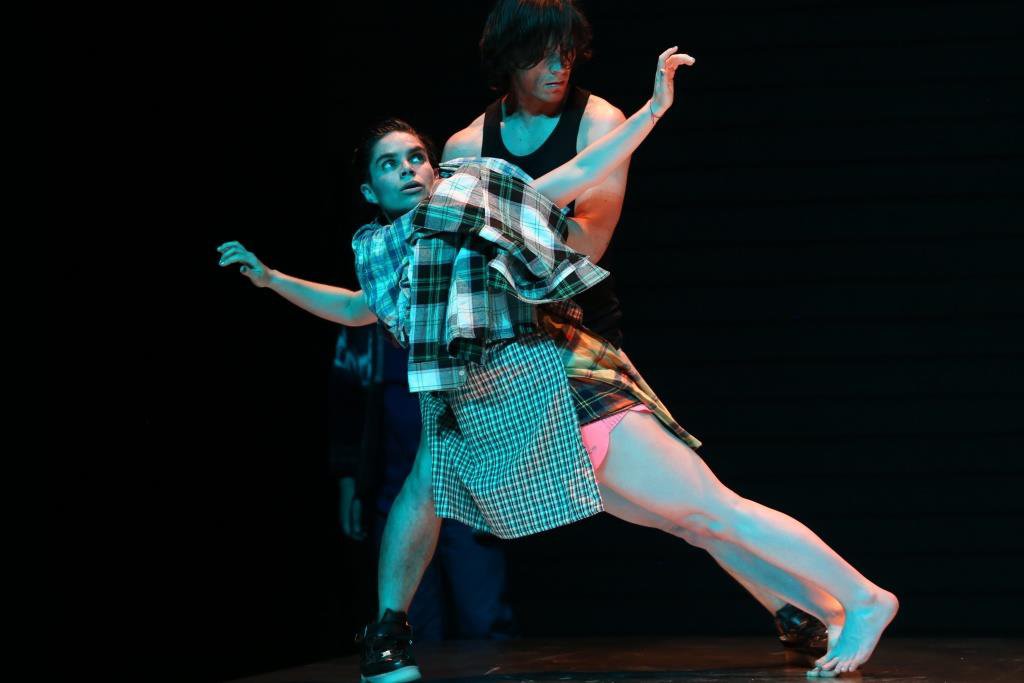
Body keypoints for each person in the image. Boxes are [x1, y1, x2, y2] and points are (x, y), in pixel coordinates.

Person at [217, 47, 898, 682]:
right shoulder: (387, 253)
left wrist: (652, 110)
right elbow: (357, 308)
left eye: (417, 156)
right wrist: (272, 280)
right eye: (390, 164)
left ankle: (865, 598)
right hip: (519, 416)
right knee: (692, 522)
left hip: (563, 383)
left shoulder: (472, 195)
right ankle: (825, 609)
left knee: (715, 509)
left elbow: (573, 175)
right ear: (369, 190)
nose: (410, 169)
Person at [402, 0, 829, 663]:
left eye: (568, 53)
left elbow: (587, 244)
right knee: (670, 508)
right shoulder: (465, 147)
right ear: (507, 57)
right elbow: (461, 260)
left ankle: (826, 602)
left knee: (688, 501)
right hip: (505, 353)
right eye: (543, 53)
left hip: (576, 341)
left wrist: (504, 226)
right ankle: (799, 604)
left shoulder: (598, 121)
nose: (559, 67)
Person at [329, 324, 517, 641]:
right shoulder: (370, 326)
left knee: (483, 616)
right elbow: (345, 404)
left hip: (468, 498)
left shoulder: (464, 312)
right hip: (394, 494)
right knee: (413, 620)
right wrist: (350, 482)